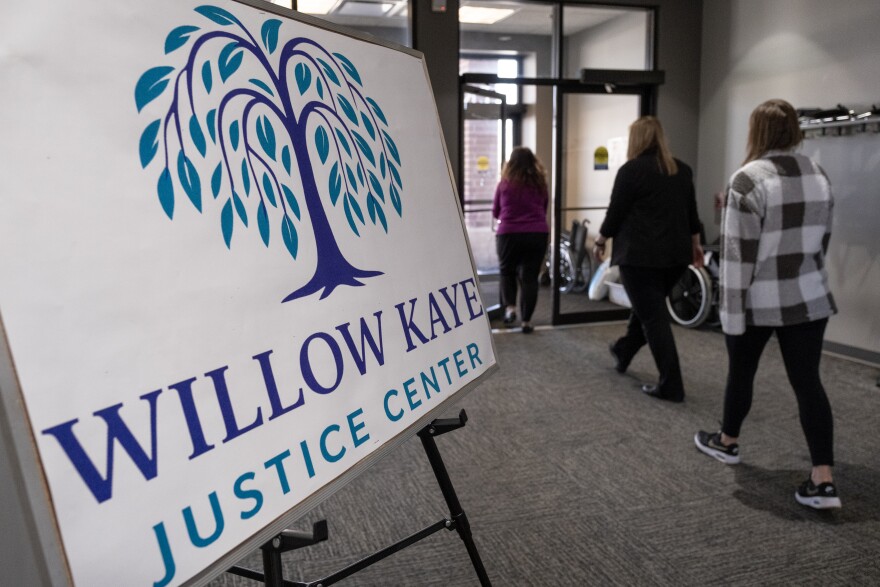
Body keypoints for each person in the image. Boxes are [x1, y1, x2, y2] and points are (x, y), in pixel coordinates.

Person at [694, 99, 840, 509]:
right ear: (794, 130)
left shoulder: (746, 180)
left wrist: (730, 318)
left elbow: (737, 261)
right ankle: (823, 480)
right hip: (809, 297)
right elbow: (823, 241)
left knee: (741, 374)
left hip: (757, 301)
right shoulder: (818, 174)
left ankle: (727, 441)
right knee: (808, 383)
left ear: (755, 131)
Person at [593, 116, 703, 402]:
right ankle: (624, 350)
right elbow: (692, 214)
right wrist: (696, 245)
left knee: (653, 317)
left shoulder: (631, 171)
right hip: (675, 257)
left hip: (639, 257)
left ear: (636, 140)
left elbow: (615, 212)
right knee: (648, 309)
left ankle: (671, 385)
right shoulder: (681, 170)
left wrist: (600, 241)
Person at [492, 146, 550, 334]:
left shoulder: (504, 184)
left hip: (509, 234)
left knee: (507, 271)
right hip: (536, 234)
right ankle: (526, 321)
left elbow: (496, 211)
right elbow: (544, 208)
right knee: (530, 277)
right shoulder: (540, 184)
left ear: (511, 163)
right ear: (533, 163)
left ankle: (510, 308)